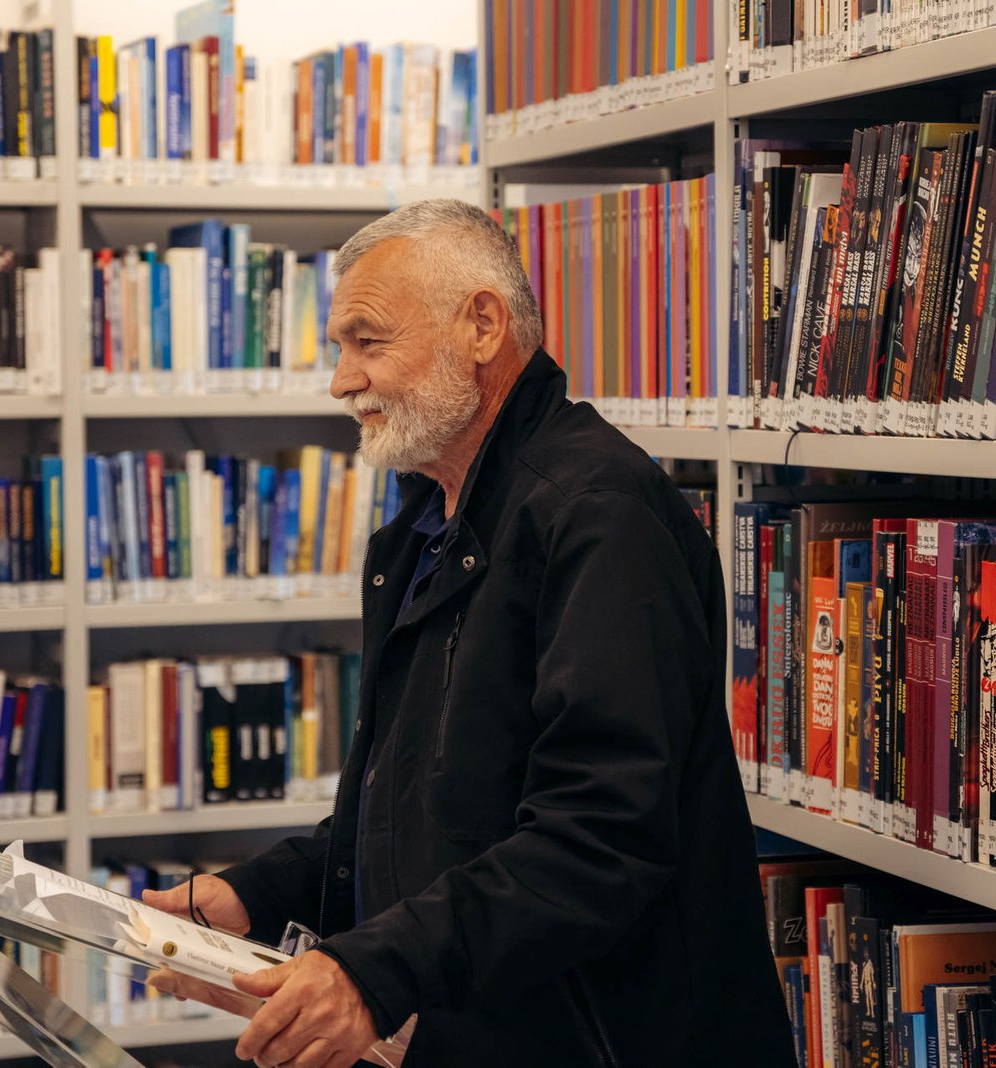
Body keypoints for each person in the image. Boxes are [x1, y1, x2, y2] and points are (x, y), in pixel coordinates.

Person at [142, 199, 795, 1068]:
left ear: (482, 326)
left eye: (368, 342)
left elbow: (602, 839)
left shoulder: (597, 516)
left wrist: (376, 972)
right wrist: (256, 894)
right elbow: (425, 812)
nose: (340, 381)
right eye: (339, 347)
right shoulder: (425, 527)